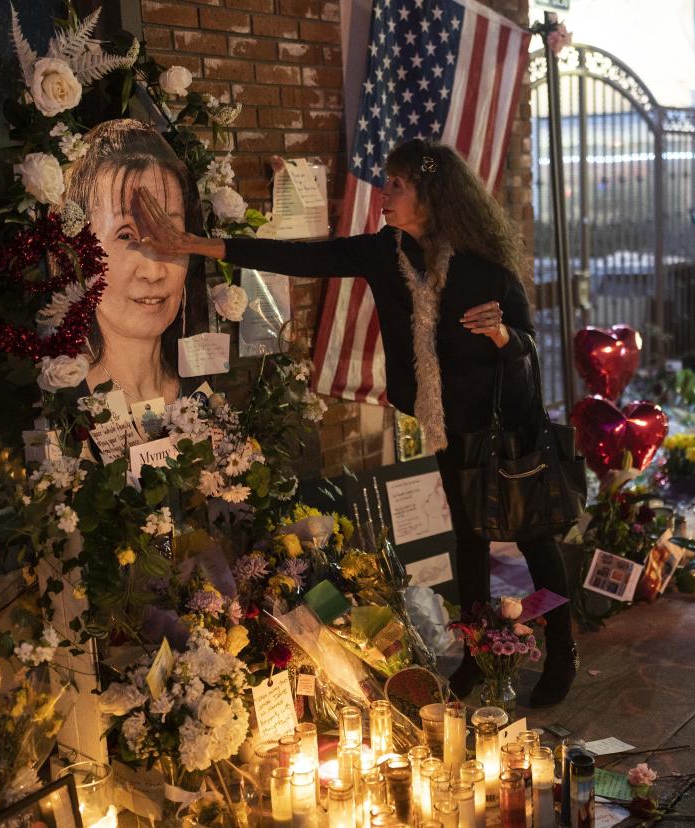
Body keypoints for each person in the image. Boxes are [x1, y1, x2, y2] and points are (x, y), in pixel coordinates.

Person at [133, 139, 577, 706]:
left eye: (396, 185)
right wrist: (192, 245)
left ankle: (561, 654)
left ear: (431, 195)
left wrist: (502, 336)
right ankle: (473, 655)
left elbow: (530, 347)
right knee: (470, 539)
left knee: (535, 539)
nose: (383, 193)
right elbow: (303, 257)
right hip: (449, 425)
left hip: (506, 423)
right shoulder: (383, 254)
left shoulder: (484, 268)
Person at [64, 119, 209, 406]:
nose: (153, 271)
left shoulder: (199, 391)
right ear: (78, 252)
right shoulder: (64, 400)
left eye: (170, 235)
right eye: (125, 235)